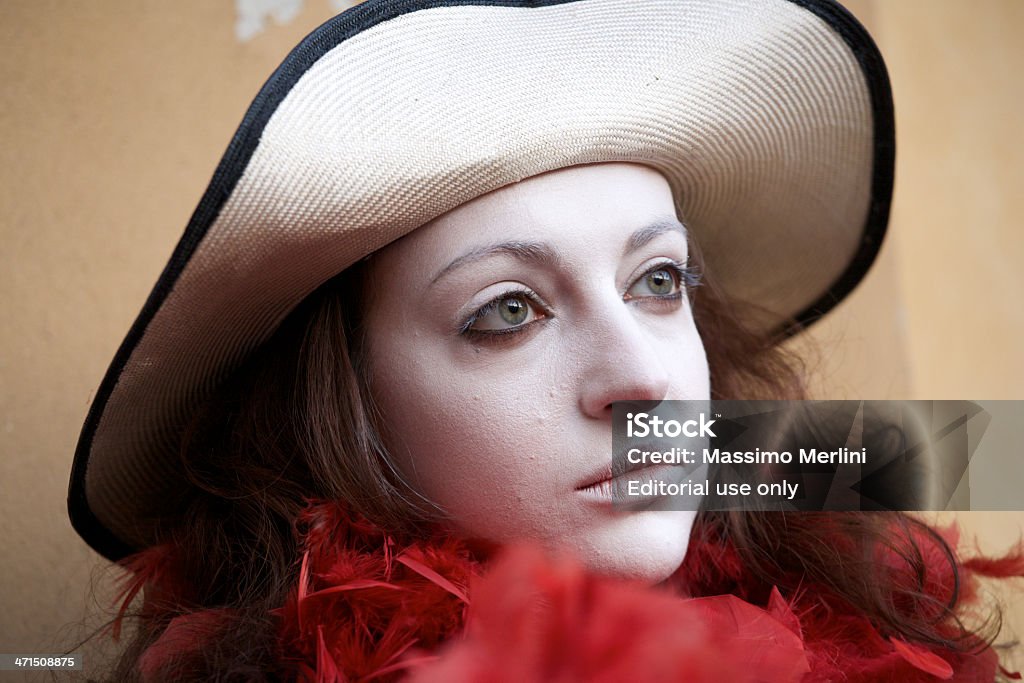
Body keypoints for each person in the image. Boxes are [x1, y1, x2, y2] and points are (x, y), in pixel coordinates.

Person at [68, 0, 1022, 680]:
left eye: (658, 281)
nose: (644, 380)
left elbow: (976, 449)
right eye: (509, 309)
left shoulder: (802, 500)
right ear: (341, 415)